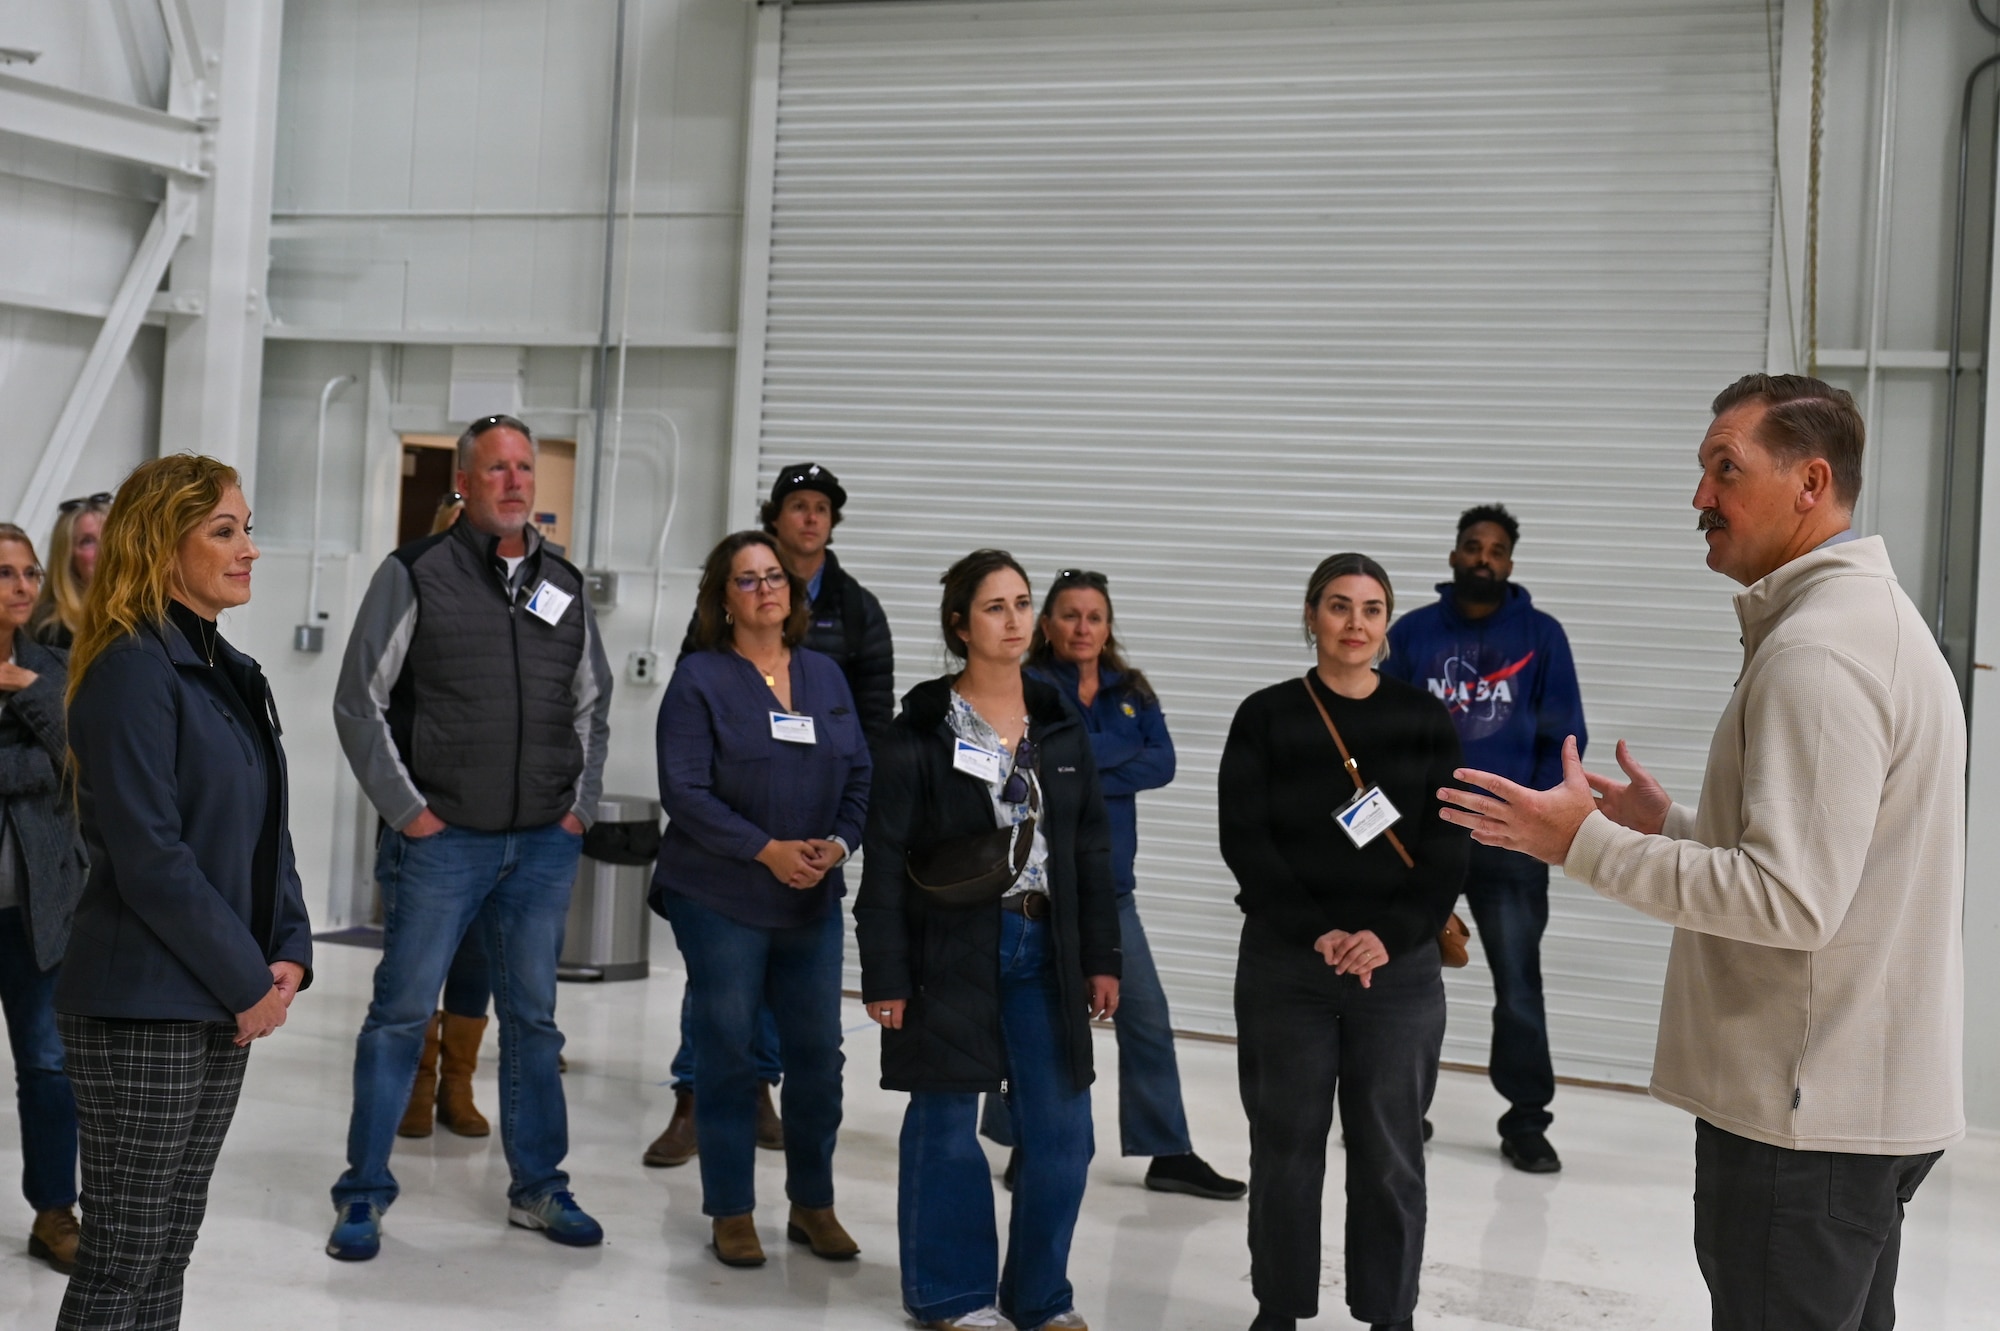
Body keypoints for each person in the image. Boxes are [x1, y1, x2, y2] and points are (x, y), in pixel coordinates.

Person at [1442, 374, 1965, 1331]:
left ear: (1811, 483)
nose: (1700, 497)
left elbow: (1791, 899)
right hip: (1854, 1104)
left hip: (1801, 1120)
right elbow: (1840, 868)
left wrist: (1585, 843)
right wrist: (1672, 828)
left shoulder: (1819, 651)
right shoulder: (1872, 625)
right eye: (1702, 470)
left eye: (1726, 469)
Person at [328, 412, 613, 1261]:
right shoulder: (415, 572)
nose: (515, 481)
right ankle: (363, 1191)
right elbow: (358, 701)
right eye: (496, 468)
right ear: (463, 482)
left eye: (524, 467)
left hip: (542, 844)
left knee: (535, 1023)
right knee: (399, 1015)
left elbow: (593, 704)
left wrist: (579, 807)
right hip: (443, 842)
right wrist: (409, 811)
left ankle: (539, 1186)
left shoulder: (564, 582)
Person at [55, 455, 314, 1330]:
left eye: (247, 528)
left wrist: (288, 948)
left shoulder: (228, 667)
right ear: (161, 546)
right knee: (124, 1257)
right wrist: (246, 980)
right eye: (224, 531)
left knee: (170, 1246)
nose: (250, 549)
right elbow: (151, 857)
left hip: (217, 994)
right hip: (142, 1002)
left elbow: (264, 826)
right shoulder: (133, 667)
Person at [857, 549, 1121, 1331]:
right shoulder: (919, 733)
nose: (1014, 620)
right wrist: (885, 973)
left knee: (1064, 1135)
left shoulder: (1061, 727)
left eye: (1021, 603)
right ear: (960, 625)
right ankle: (952, 1296)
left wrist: (1102, 957)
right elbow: (885, 862)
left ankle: (1039, 1297)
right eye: (995, 606)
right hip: (949, 945)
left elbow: (1090, 849)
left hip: (1046, 948)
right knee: (945, 1127)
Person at [1220, 553, 1469, 1331]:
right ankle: (1279, 1307)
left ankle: (1390, 1314)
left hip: (1397, 972)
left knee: (1391, 1152)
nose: (1354, 623)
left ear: (1387, 624)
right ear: (1311, 615)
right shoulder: (1267, 716)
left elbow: (1447, 848)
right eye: (1338, 605)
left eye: (1370, 608)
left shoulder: (1424, 719)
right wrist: (1319, 930)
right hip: (1287, 965)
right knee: (1284, 1147)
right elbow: (1245, 842)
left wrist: (1384, 937)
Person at [649, 461, 894, 1168]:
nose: (765, 589)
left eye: (774, 580)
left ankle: (791, 1154)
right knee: (721, 1023)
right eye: (749, 580)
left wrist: (841, 840)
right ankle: (699, 1115)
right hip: (725, 878)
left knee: (812, 1043)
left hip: (811, 874)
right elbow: (687, 772)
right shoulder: (703, 671)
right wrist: (766, 847)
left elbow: (867, 741)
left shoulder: (847, 629)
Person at [979, 569, 1242, 1201]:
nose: (1083, 627)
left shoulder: (1131, 689)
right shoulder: (1028, 686)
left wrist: (1081, 761)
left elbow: (1164, 762)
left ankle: (1168, 1152)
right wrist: (1112, 751)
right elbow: (1040, 762)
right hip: (1037, 888)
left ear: (1107, 626)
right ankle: (1021, 1142)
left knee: (1146, 1017)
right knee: (1029, 1021)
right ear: (1047, 625)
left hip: (1109, 889)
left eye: (1094, 616)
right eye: (1070, 615)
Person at [1380, 504, 1585, 1173]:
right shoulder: (1413, 634)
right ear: (1454, 555)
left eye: (1496, 550)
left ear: (1510, 563)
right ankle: (1399, 1109)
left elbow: (1564, 738)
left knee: (1518, 983)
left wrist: (1537, 820)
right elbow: (1380, 732)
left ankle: (1526, 1121)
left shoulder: (1541, 635)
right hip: (1424, 842)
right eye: (1473, 546)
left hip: (1508, 841)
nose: (1483, 558)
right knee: (1404, 979)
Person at [395, 488, 493, 1143]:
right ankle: (416, 1081)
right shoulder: (407, 593)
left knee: (476, 955)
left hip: (495, 814)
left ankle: (457, 1084)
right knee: (416, 958)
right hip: (424, 809)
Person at [0, 525, 85, 1273]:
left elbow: (78, 758)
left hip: (39, 907)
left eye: (29, 572)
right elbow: (45, 769)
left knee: (49, 1065)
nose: (23, 586)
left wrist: (26, 692)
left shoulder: (56, 665)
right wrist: (32, 767)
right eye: (4, 573)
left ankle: (55, 1211)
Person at [29, 491, 110, 650]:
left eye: (110, 535)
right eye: (88, 541)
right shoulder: (52, 631)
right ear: (67, 556)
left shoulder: (147, 610)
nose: (104, 549)